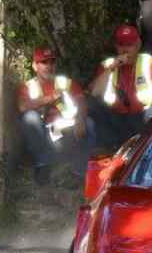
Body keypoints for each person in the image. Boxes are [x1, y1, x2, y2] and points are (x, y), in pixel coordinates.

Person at [17, 47, 96, 185]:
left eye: (52, 62)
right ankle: (43, 165)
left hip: (67, 132)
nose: (49, 66)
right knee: (29, 118)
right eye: (44, 62)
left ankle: (79, 171)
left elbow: (82, 101)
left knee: (89, 123)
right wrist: (49, 98)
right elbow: (22, 106)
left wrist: (80, 119)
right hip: (45, 136)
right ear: (35, 66)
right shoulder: (28, 86)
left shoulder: (66, 82)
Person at [88, 25, 152, 149]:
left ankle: (150, 145)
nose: (125, 49)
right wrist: (113, 66)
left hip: (143, 115)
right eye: (121, 45)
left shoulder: (149, 62)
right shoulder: (107, 65)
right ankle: (112, 149)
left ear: (138, 45)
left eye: (129, 45)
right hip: (117, 117)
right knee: (94, 108)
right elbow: (95, 92)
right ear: (115, 46)